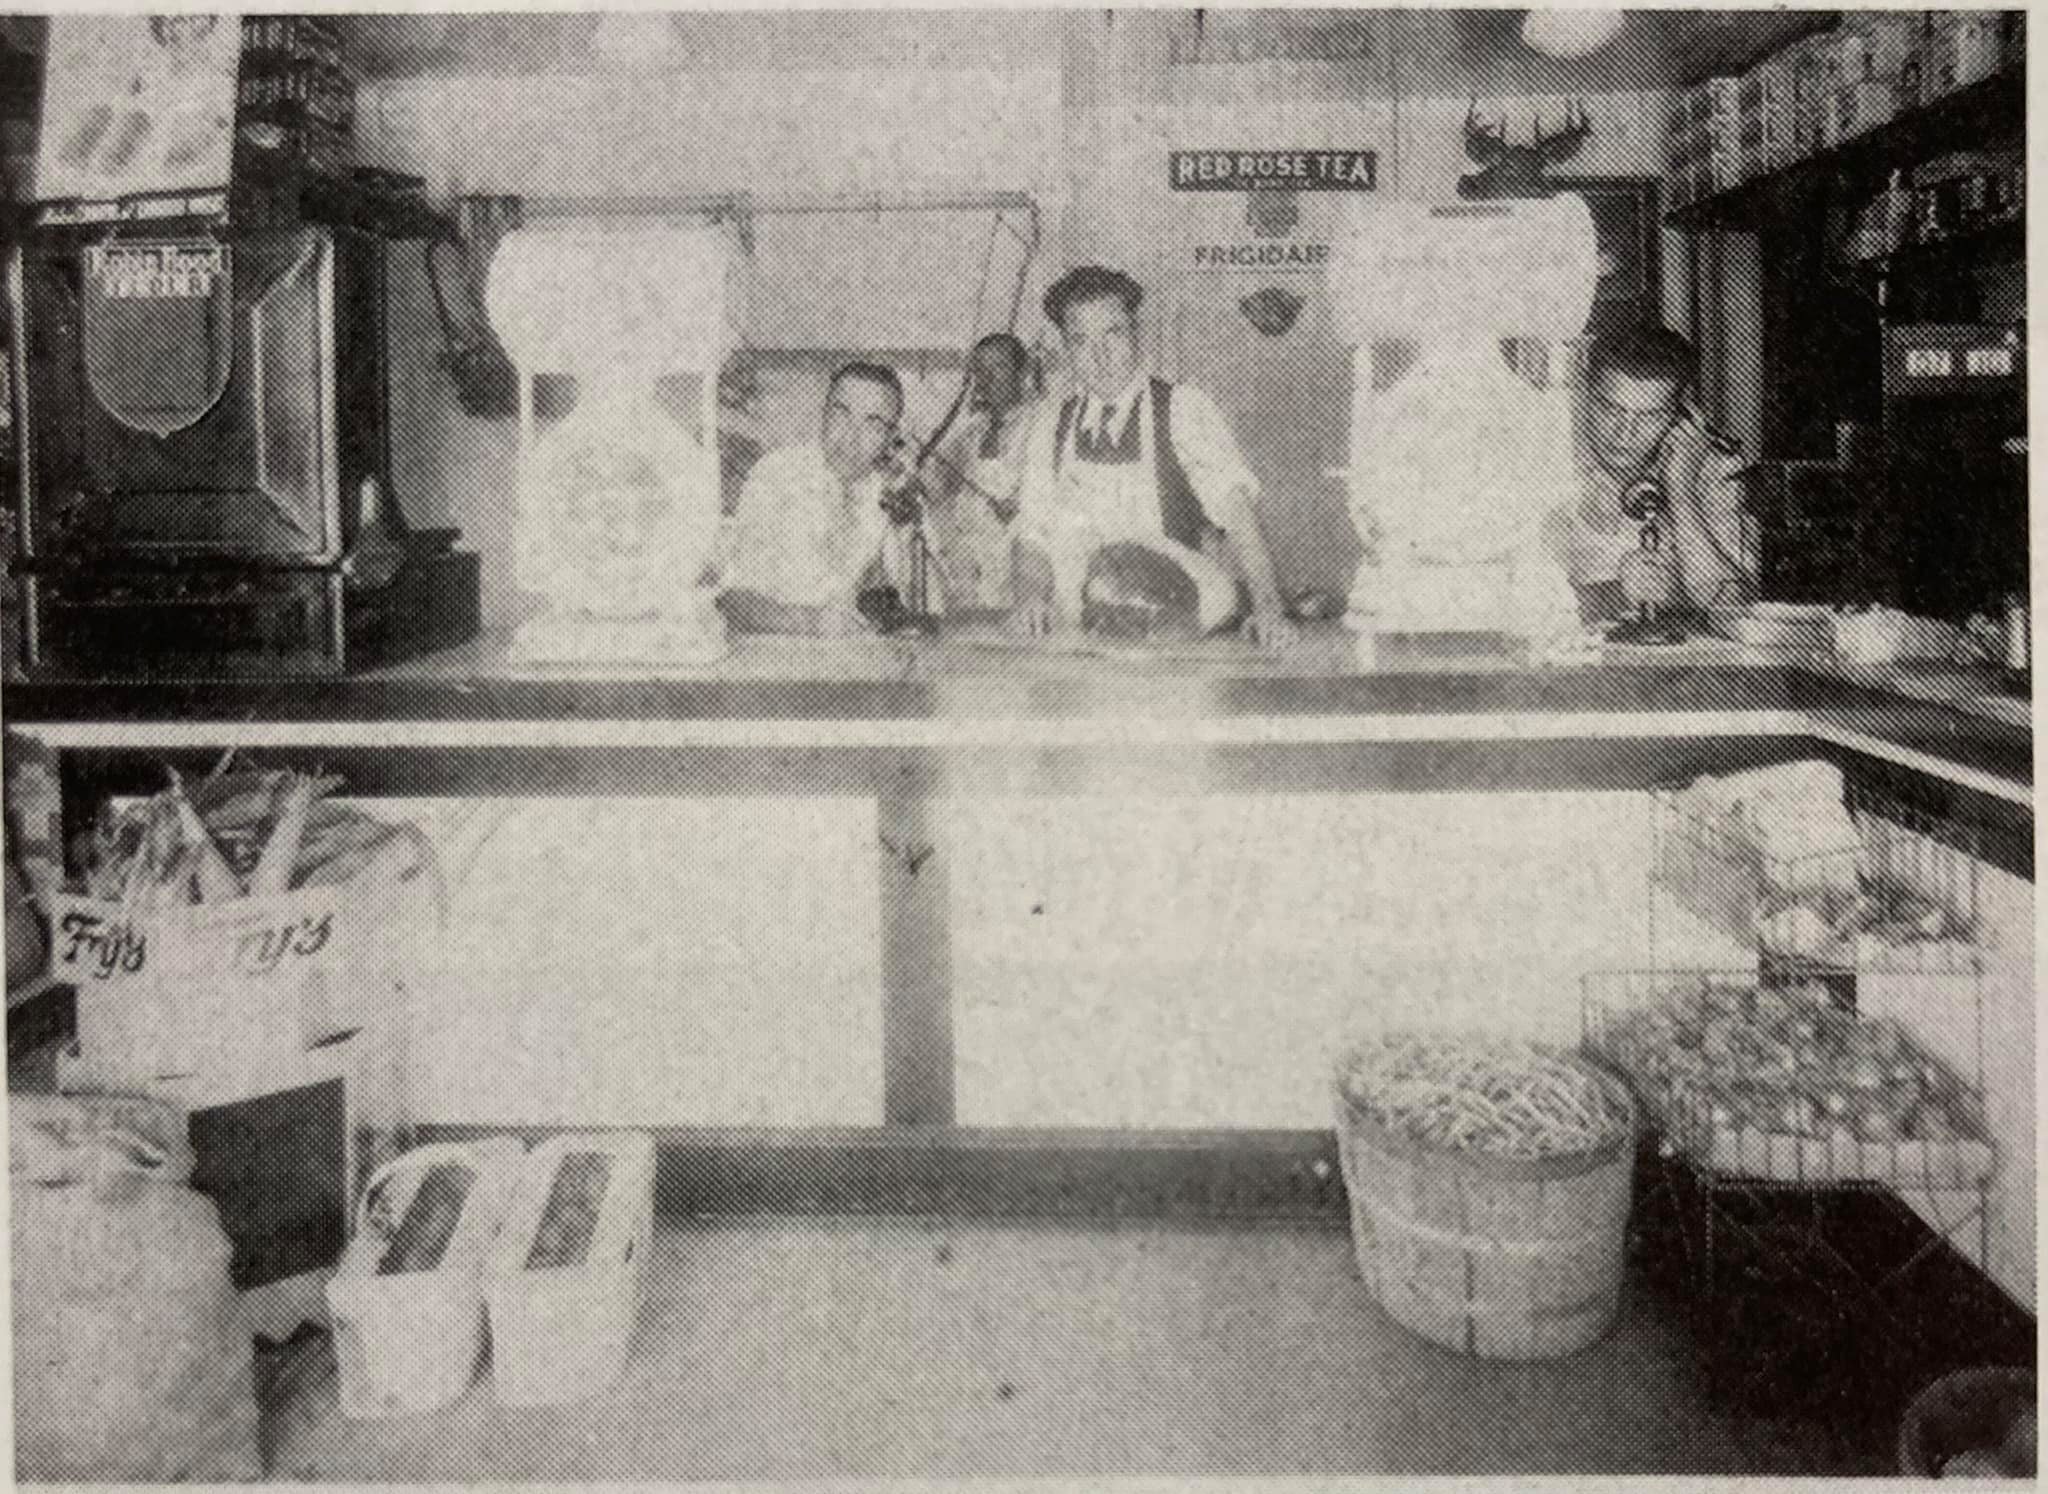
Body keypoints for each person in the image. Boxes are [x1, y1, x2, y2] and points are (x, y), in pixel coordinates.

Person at [1009, 266, 1296, 649]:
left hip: (1176, 626)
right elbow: (1033, 535)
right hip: (1080, 631)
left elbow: (1237, 513)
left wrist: (1268, 608)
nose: (1101, 356)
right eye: (1081, 341)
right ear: (1067, 349)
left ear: (1135, 335)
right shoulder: (1052, 425)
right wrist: (1030, 598)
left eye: (1114, 334)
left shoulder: (1182, 409)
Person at [1548, 325, 1757, 627]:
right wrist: (1616, 595)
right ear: (1586, 396)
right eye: (1610, 409)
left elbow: (1737, 611)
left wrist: (1681, 491)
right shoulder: (1546, 456)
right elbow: (1505, 601)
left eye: (1649, 417)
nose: (1624, 434)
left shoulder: (1716, 468)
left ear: (1681, 414)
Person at [717, 362, 914, 637]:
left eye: (873, 424)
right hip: (775, 662)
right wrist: (811, 622)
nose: (850, 438)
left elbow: (892, 599)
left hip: (856, 665)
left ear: (891, 438)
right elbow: (732, 600)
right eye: (841, 414)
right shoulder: (776, 474)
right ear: (824, 415)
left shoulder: (889, 492)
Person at [912, 332, 1044, 613]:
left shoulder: (1040, 423)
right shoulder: (971, 430)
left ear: (1021, 372)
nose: (987, 377)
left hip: (1018, 571)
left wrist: (1024, 508)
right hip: (966, 575)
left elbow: (1055, 498)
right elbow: (935, 485)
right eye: (980, 369)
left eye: (998, 367)